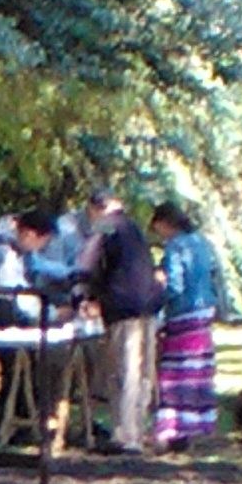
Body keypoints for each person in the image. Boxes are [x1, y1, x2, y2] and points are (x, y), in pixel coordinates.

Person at [76, 191, 165, 452]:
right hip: (148, 304)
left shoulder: (105, 225)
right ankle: (137, 429)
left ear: (96, 208)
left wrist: (83, 295)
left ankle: (125, 436)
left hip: (122, 306)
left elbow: (88, 263)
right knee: (143, 370)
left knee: (125, 371)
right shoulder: (133, 227)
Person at [147, 202, 225, 447]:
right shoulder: (202, 243)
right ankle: (196, 423)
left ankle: (174, 428)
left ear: (165, 224)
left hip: (182, 314)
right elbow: (216, 277)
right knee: (197, 371)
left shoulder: (175, 247)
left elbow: (175, 286)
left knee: (174, 373)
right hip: (203, 312)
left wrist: (156, 296)